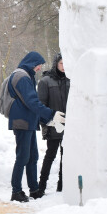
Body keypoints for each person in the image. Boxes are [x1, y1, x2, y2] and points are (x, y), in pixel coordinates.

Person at [7, 52, 65, 202]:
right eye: (38, 65)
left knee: (33, 157)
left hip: (29, 122)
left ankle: (34, 189)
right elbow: (32, 102)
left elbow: (31, 105)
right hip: (21, 122)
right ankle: (16, 191)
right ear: (32, 63)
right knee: (23, 157)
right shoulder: (22, 77)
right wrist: (51, 114)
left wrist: (47, 119)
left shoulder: (27, 76)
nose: (39, 68)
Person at [37, 54, 70, 193]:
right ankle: (42, 186)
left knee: (66, 156)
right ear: (56, 63)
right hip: (53, 124)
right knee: (50, 155)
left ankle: (62, 185)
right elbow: (41, 104)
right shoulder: (46, 81)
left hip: (69, 125)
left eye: (66, 63)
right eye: (61, 63)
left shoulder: (70, 80)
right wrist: (48, 121)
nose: (64, 66)